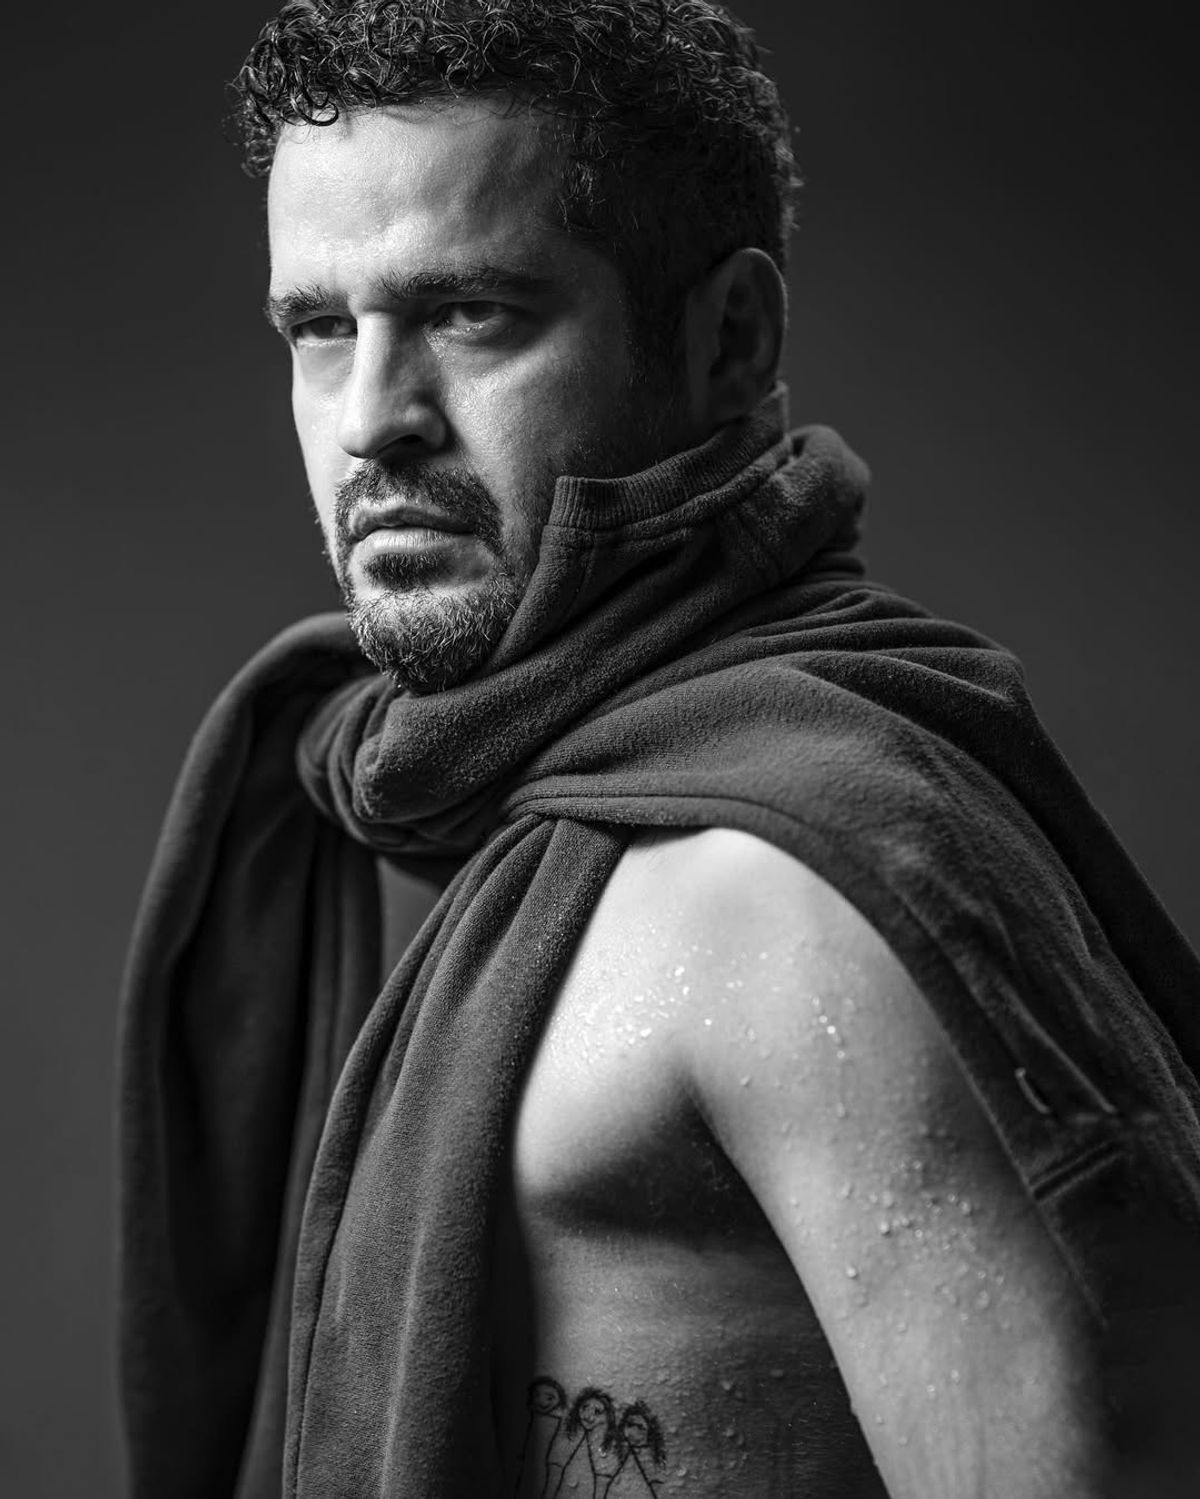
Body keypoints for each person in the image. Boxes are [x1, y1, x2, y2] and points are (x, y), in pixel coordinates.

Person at [118, 2, 1200, 1497]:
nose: (372, 420)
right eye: (319, 329)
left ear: (728, 339)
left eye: (470, 313)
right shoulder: (542, 814)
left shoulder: (781, 905)